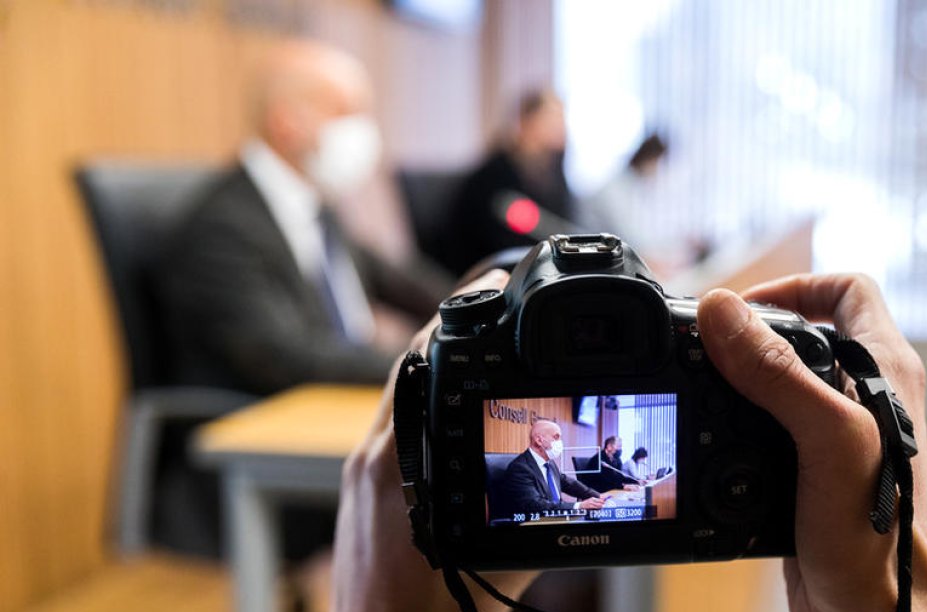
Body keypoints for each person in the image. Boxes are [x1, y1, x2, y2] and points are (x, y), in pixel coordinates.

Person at [298, 271, 927, 612]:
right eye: (547, 425)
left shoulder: (552, 462)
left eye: (552, 426)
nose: (551, 433)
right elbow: (558, 495)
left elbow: (573, 491)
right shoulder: (517, 469)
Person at [157, 39, 446, 397]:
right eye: (345, 112)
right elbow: (284, 358)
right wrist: (423, 362)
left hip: (333, 404)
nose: (363, 130)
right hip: (269, 425)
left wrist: (480, 305)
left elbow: (397, 279)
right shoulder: (222, 227)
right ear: (286, 123)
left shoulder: (312, 204)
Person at [444, 89, 575, 275]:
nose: (561, 129)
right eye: (552, 119)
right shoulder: (494, 177)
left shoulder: (553, 174)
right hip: (485, 274)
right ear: (526, 123)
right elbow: (500, 243)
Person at [496, 420, 609, 520]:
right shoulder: (520, 468)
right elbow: (535, 505)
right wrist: (579, 506)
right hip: (533, 523)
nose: (560, 442)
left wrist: (597, 496)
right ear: (539, 440)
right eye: (556, 437)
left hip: (556, 518)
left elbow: (568, 482)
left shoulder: (549, 463)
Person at [579, 133, 667, 248]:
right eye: (655, 163)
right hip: (593, 252)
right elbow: (626, 234)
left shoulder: (633, 184)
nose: (656, 170)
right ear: (646, 158)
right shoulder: (616, 188)